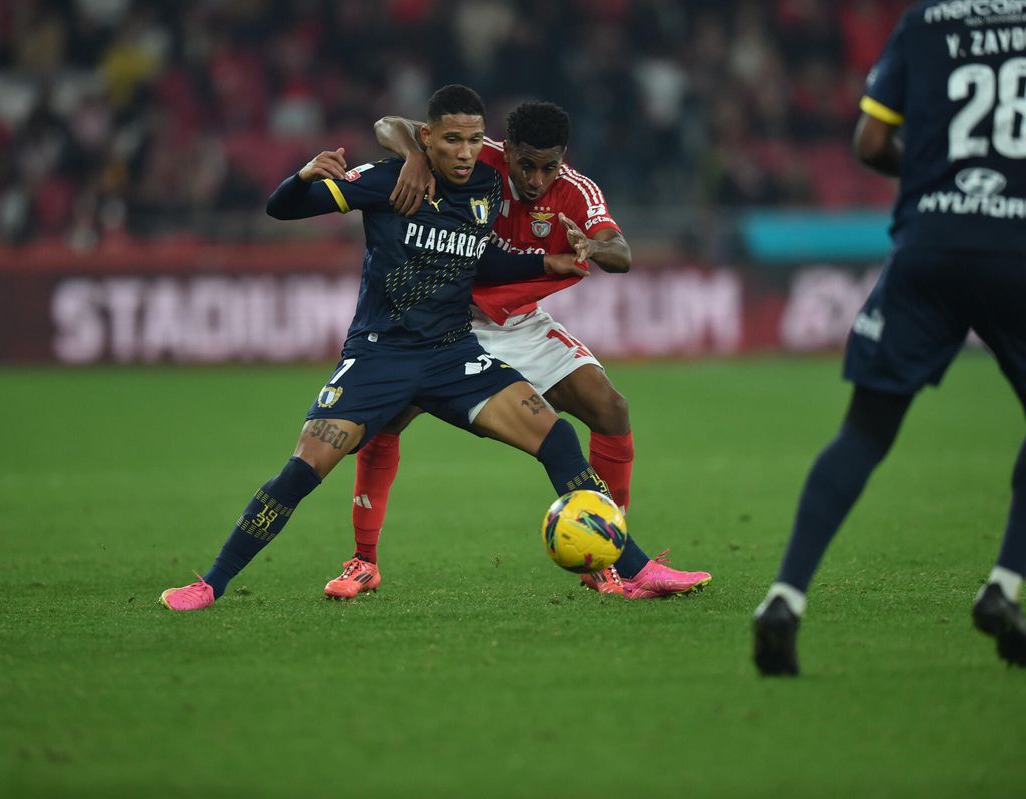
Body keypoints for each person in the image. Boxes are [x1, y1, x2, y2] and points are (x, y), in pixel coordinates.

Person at [160, 85, 600, 611]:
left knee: (558, 436)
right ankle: (210, 583)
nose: (464, 152)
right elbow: (284, 209)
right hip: (379, 357)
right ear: (427, 137)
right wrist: (303, 176)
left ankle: (624, 566)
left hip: (451, 354)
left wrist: (541, 264)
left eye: (474, 140)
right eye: (452, 140)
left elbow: (476, 263)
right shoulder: (389, 179)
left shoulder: (487, 187)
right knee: (304, 467)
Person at [321, 101, 712, 600]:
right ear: (507, 150)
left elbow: (622, 251)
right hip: (443, 320)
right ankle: (363, 561)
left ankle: (605, 553)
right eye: (525, 164)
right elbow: (386, 125)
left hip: (519, 323)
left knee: (610, 408)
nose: (534, 178)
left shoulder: (576, 190)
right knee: (385, 425)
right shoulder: (474, 155)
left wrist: (594, 248)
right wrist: (414, 157)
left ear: (563, 158)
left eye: (548, 166)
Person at [753, 2, 1026, 674]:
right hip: (1015, 248)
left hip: (928, 245)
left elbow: (871, 143)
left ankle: (784, 597)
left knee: (866, 430)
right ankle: (1004, 585)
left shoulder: (926, 23)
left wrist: (942, 182)